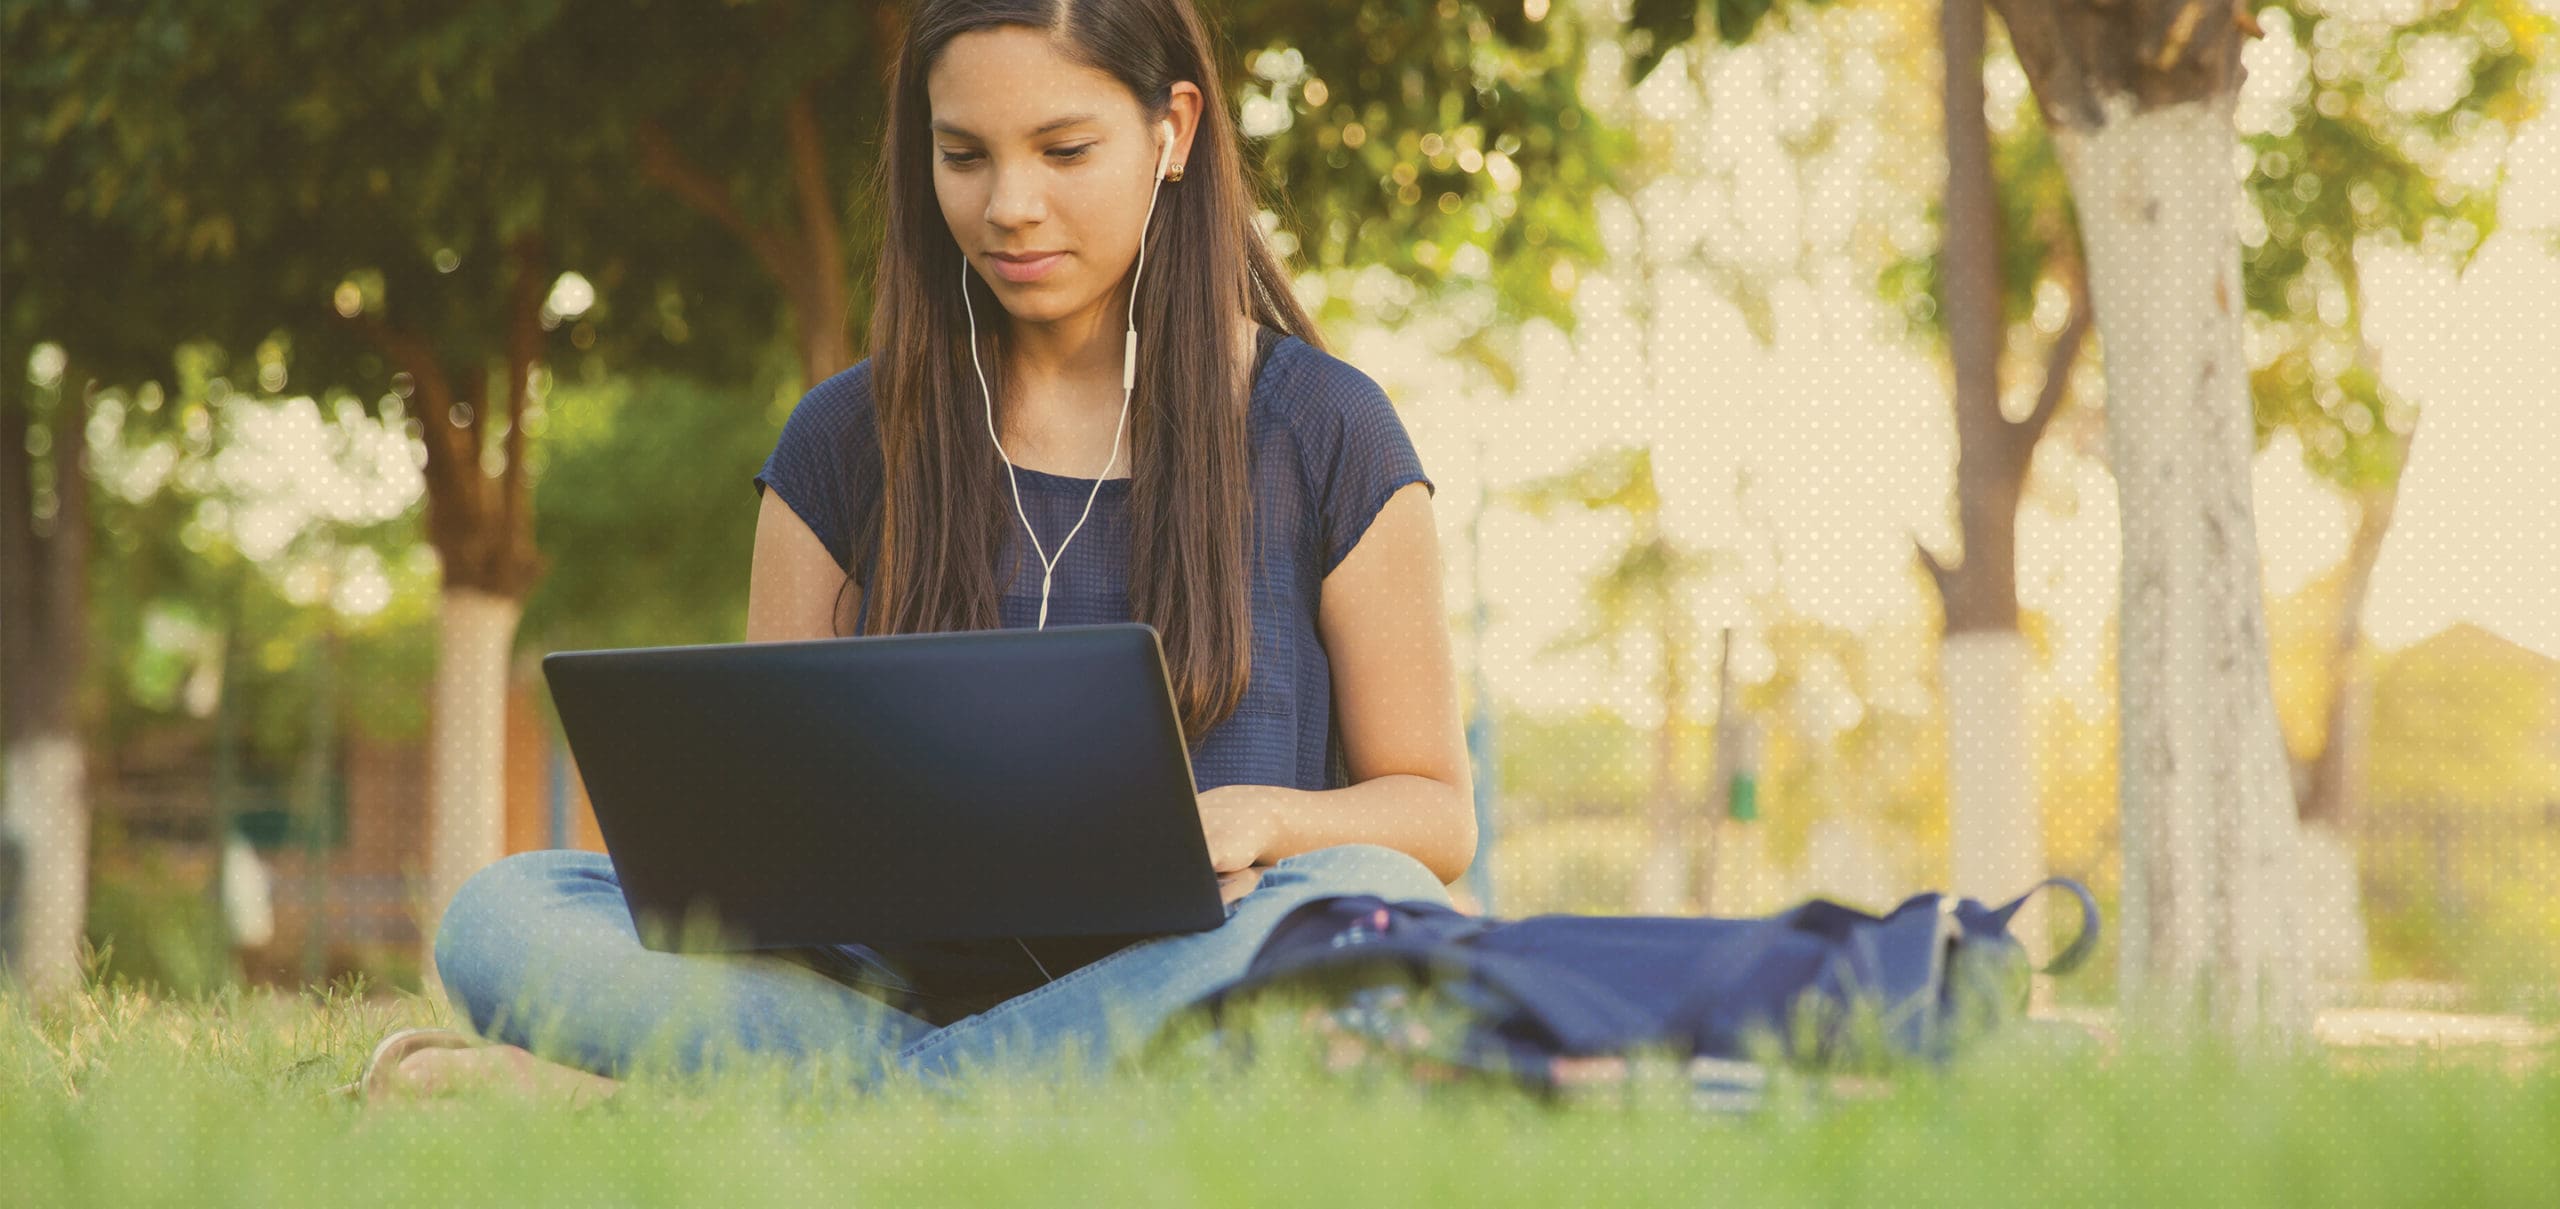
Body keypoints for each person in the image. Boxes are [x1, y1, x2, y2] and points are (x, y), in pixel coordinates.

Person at [364, 0, 1472, 1103]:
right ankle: (980, 1097)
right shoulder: (843, 440)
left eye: (1063, 150)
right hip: (890, 988)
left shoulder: (1323, 429)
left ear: (1172, 130)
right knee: (506, 913)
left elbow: (1433, 814)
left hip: (1194, 967)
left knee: (1366, 900)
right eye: (963, 157)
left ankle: (709, 1107)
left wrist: (1270, 816)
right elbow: (768, 842)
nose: (1010, 208)